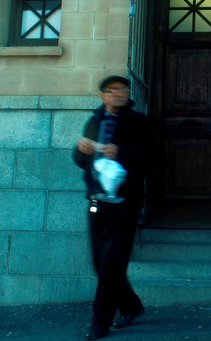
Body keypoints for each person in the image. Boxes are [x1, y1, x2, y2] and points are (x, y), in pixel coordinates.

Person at [73, 75, 152, 339]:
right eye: (113, 90)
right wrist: (81, 149)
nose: (120, 93)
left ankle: (99, 323)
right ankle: (131, 305)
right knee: (100, 263)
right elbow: (80, 161)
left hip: (124, 203)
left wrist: (121, 152)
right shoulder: (94, 121)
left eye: (123, 89)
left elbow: (151, 158)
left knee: (111, 265)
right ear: (103, 95)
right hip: (97, 200)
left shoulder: (138, 122)